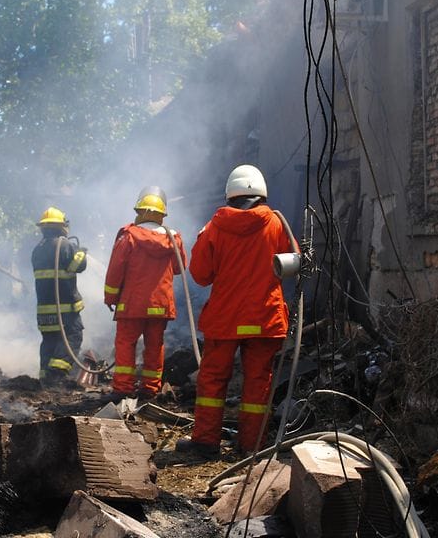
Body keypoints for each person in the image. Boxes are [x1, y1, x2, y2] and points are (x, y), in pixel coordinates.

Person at [178, 164, 292, 457]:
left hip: (225, 319)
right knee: (258, 383)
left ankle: (205, 443)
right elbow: (291, 266)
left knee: (214, 379)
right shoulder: (277, 224)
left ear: (230, 194)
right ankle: (252, 447)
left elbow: (201, 274)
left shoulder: (215, 226)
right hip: (264, 317)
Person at [103, 187, 187, 401]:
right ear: (162, 215)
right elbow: (179, 268)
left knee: (125, 344)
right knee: (154, 345)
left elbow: (115, 271)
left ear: (139, 212)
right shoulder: (173, 239)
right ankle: (150, 388)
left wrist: (110, 298)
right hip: (160, 304)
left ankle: (123, 389)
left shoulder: (129, 236)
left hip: (131, 305)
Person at [31, 206, 87, 384]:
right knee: (72, 338)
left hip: (44, 311)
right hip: (65, 310)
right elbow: (78, 266)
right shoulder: (64, 245)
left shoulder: (37, 249)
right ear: (62, 226)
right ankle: (57, 375)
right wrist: (81, 253)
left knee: (49, 341)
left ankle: (45, 377)